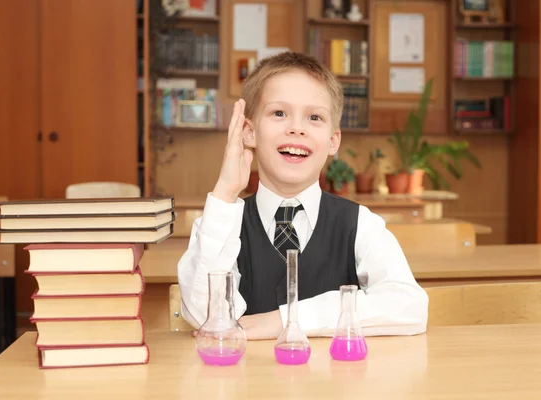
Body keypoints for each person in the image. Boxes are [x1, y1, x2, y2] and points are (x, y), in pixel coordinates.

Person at [177, 52, 428, 340]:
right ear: (248, 132)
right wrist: (225, 190)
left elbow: (410, 306)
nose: (297, 128)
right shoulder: (222, 221)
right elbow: (204, 315)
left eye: (314, 117)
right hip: (245, 382)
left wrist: (285, 320)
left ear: (333, 141)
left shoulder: (361, 224)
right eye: (279, 113)